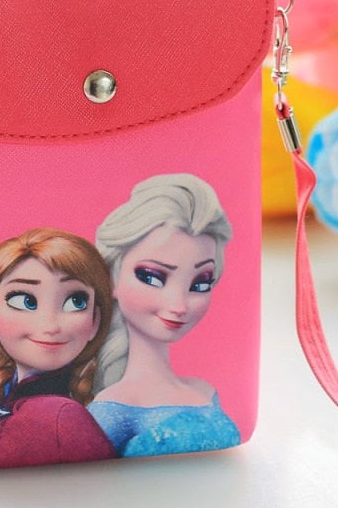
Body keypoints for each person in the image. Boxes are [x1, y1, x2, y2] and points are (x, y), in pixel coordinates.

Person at [88, 174, 240, 457]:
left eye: (200, 284)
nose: (179, 305)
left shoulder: (205, 391)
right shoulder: (111, 410)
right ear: (111, 278)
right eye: (152, 277)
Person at [0, 228, 116, 470]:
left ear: (95, 321)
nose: (50, 326)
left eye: (76, 302)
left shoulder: (61, 415)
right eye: (25, 300)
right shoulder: (5, 404)